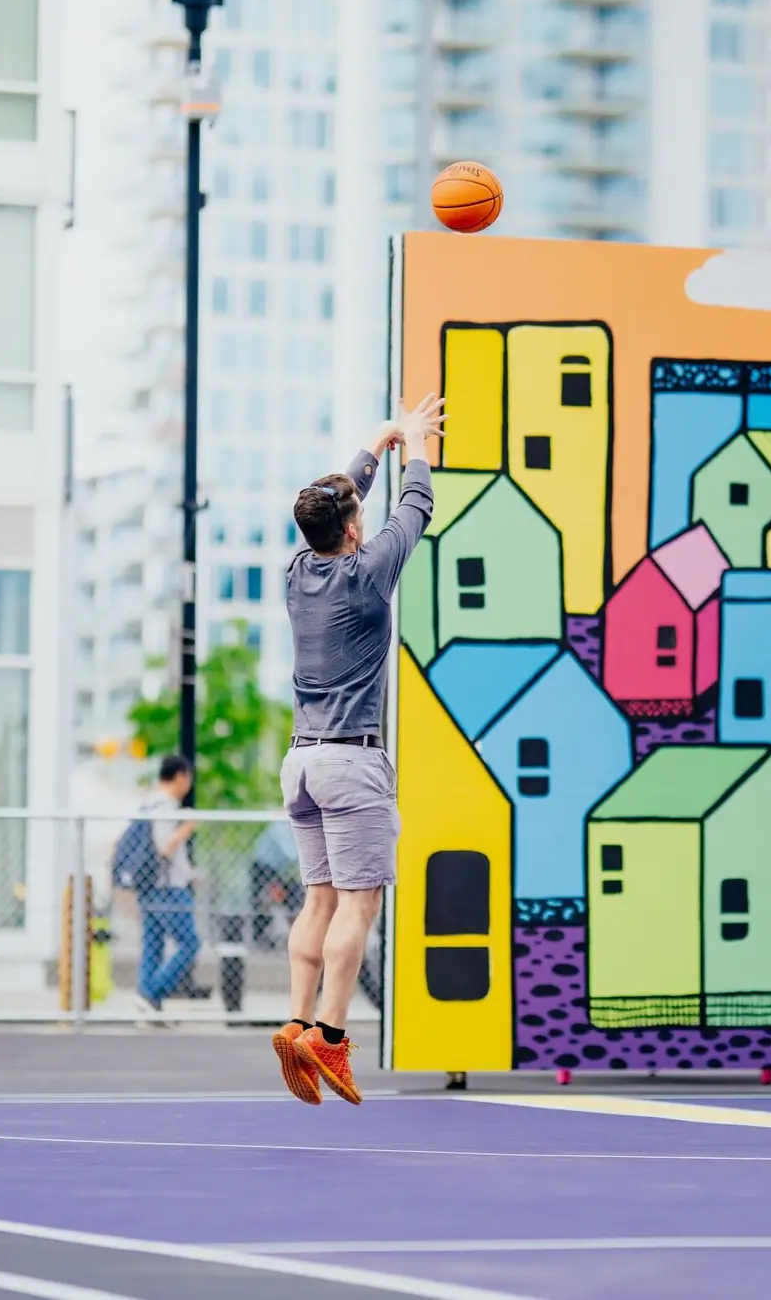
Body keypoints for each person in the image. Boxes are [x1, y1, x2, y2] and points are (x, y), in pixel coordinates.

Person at [271, 393, 443, 1106]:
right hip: (351, 761)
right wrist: (418, 446)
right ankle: (331, 1039)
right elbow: (416, 509)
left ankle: (296, 1018)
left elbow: (342, 498)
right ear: (350, 528)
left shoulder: (296, 571)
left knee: (319, 900)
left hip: (301, 762)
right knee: (359, 907)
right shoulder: (367, 575)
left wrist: (381, 438)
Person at [132, 754, 201, 1016]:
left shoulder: (146, 805)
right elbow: (165, 847)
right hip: (167, 887)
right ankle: (151, 994)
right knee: (190, 942)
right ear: (181, 776)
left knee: (153, 943)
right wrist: (187, 827)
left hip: (149, 884)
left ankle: (148, 1004)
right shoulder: (164, 807)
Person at [249, 821, 303, 950]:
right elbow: (292, 854)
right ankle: (260, 937)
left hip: (278, 871)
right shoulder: (280, 826)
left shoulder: (294, 826)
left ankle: (296, 934)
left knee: (294, 896)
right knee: (262, 902)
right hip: (263, 868)